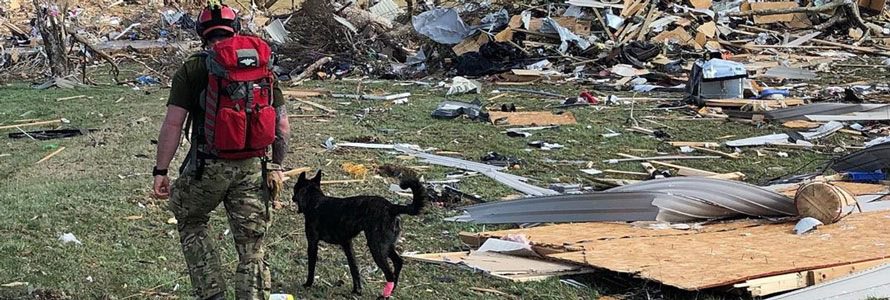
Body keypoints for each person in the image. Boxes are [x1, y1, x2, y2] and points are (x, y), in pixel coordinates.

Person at [151, 2, 289, 299]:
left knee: (191, 222)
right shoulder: (260, 63)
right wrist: (277, 166)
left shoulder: (194, 68)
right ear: (235, 29)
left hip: (207, 168)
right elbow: (282, 127)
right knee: (252, 246)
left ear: (202, 33)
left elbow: (173, 125)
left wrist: (161, 171)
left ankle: (212, 294)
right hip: (253, 168)